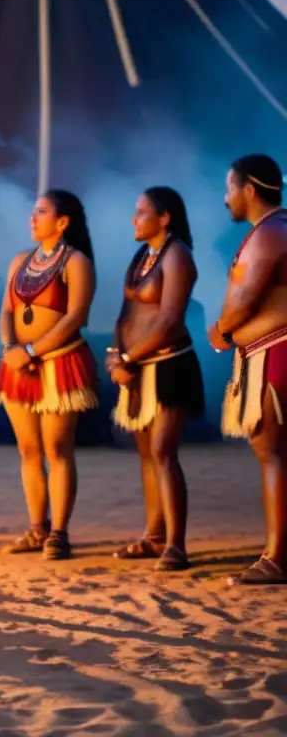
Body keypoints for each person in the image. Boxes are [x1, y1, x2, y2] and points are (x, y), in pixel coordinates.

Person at [0, 189, 97, 560]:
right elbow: (7, 310)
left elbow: (75, 317)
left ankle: (58, 532)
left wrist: (34, 351)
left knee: (56, 449)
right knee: (28, 449)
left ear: (63, 221)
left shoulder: (76, 262)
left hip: (59, 363)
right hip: (18, 365)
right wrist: (11, 349)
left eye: (40, 212)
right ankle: (36, 528)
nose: (32, 218)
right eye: (33, 211)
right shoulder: (20, 260)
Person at [107, 187, 203, 571]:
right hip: (136, 368)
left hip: (169, 366)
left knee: (163, 451)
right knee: (147, 455)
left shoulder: (178, 255)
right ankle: (154, 535)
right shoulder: (141, 257)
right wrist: (116, 355)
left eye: (141, 211)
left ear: (165, 217)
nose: (134, 218)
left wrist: (128, 357)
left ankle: (176, 546)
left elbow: (169, 321)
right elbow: (125, 313)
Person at [210, 153, 287, 585]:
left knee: (273, 454)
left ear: (250, 190)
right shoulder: (275, 229)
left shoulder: (271, 231)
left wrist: (221, 329)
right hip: (269, 352)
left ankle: (277, 558)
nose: (226, 199)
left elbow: (247, 298)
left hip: (276, 354)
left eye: (229, 189)